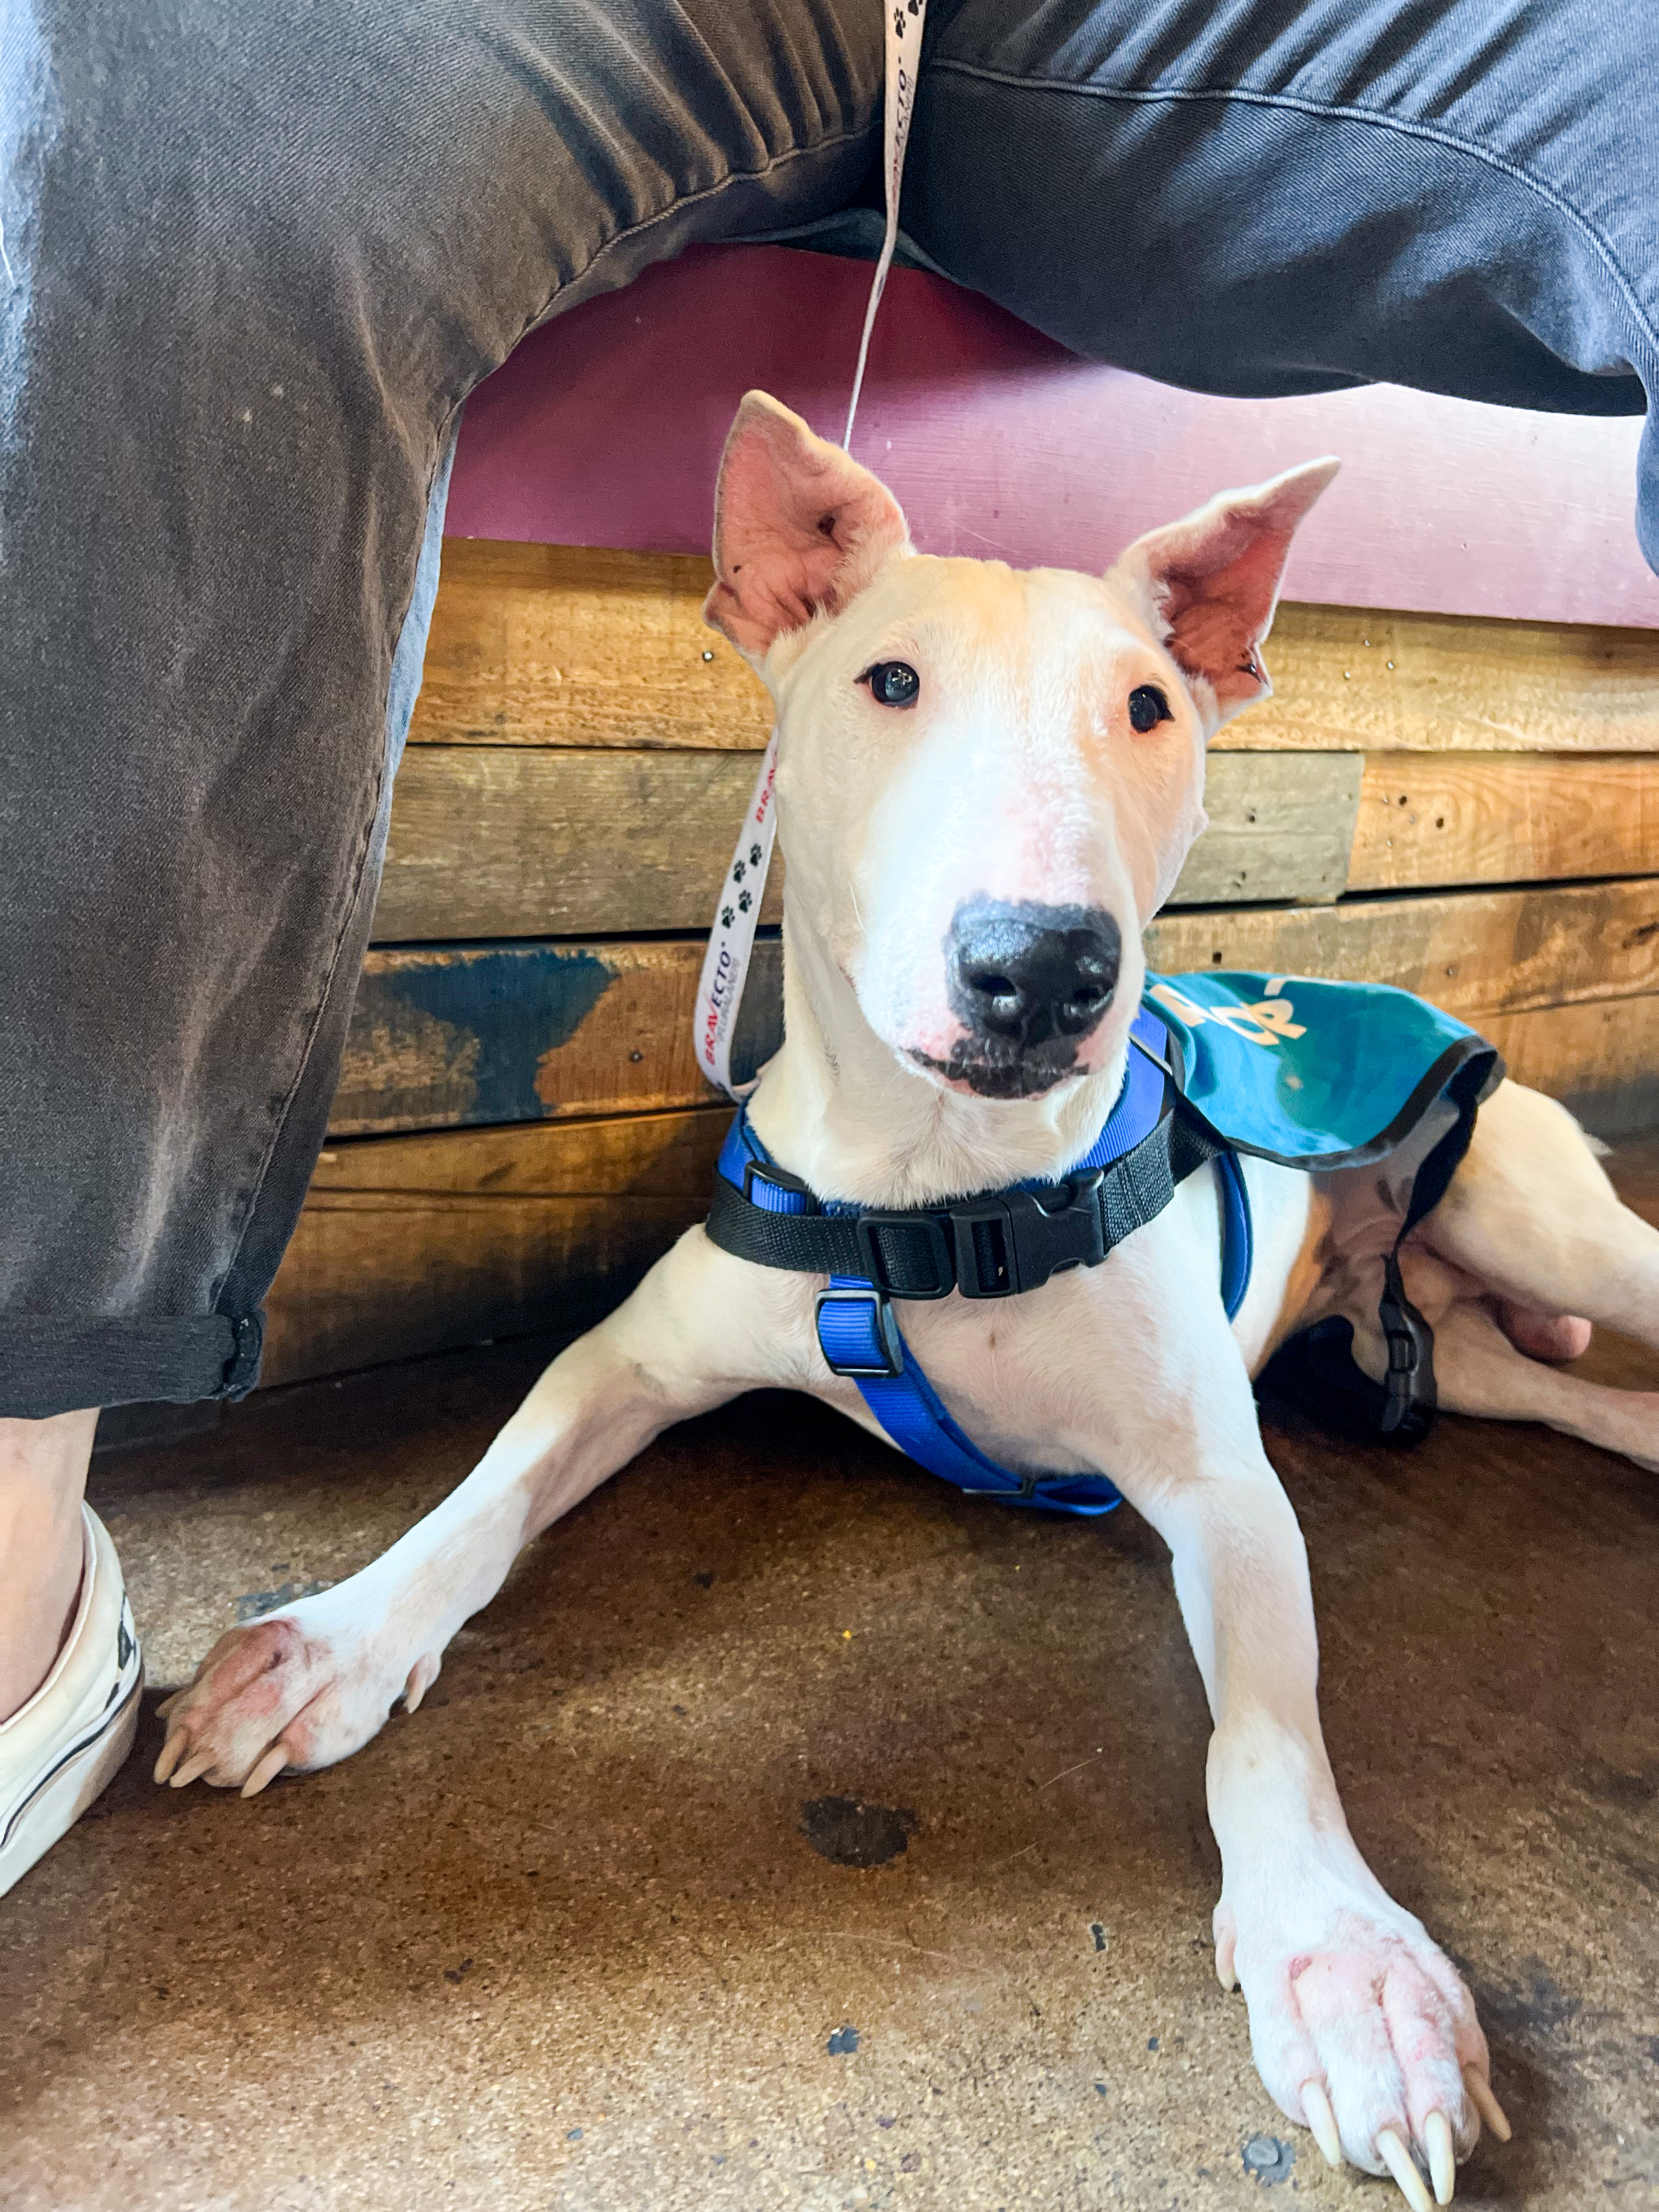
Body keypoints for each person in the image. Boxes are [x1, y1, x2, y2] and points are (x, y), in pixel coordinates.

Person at [2, 0, 1654, 1894]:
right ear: (779, 599)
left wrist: (1292, 1859)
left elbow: (1226, 1497)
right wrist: (399, 1601)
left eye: (1146, 702)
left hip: (1104, 54)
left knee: (1587, 1272)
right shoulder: (778, 1211)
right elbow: (624, 1372)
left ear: (1214, 670)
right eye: (891, 681)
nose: (1038, 918)